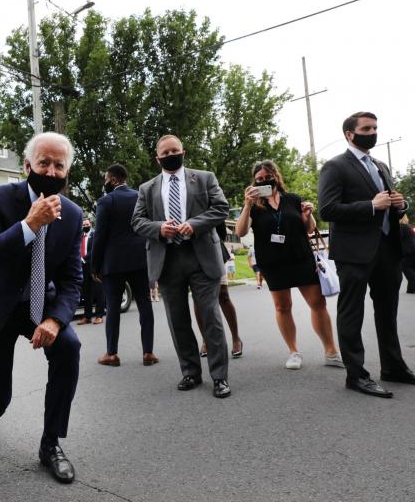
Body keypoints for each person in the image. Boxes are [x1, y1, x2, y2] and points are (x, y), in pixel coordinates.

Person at [0, 132, 83, 484]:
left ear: (67, 171)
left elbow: (71, 280)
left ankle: (50, 444)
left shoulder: (72, 215)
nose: (51, 172)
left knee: (68, 345)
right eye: (43, 163)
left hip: (36, 304)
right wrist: (29, 224)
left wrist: (55, 319)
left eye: (59, 166)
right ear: (27, 166)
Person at [318, 111, 413, 397]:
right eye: (367, 128)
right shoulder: (335, 167)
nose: (372, 132)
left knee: (387, 311)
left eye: (375, 127)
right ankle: (356, 375)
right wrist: (371, 205)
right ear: (350, 133)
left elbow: (389, 203)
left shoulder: (380, 165)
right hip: (354, 253)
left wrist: (401, 204)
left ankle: (393, 367)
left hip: (387, 249)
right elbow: (328, 210)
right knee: (352, 313)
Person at [131, 134, 232, 398]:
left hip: (201, 256)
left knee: (211, 317)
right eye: (165, 153)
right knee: (178, 321)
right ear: (157, 158)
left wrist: (195, 223)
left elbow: (221, 208)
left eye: (174, 150)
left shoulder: (205, 177)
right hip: (167, 260)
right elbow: (137, 221)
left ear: (183, 152)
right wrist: (159, 228)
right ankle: (190, 372)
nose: (170, 155)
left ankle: (219, 376)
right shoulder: (147, 188)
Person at [235, 160, 341, 370]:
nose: (265, 181)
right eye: (260, 179)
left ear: (276, 176)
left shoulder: (292, 199)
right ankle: (294, 352)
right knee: (283, 307)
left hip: (300, 257)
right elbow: (240, 232)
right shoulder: (254, 205)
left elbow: (309, 229)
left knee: (317, 304)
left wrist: (308, 214)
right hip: (273, 263)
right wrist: (247, 205)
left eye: (268, 177)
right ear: (254, 182)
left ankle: (331, 351)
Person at [91, 163, 157, 367]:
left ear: (113, 179)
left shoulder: (106, 200)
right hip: (139, 259)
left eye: (105, 180)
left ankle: (112, 354)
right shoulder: (141, 196)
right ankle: (148, 353)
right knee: (145, 304)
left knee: (112, 307)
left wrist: (95, 266)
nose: (105, 184)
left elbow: (100, 235)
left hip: (114, 262)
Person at [196, 223, 243, 359]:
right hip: (191, 253)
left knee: (223, 296)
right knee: (198, 300)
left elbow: (221, 231)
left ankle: (236, 339)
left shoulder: (210, 201)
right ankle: (206, 340)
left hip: (212, 251)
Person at [77, 218, 104, 325]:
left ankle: (99, 315)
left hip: (95, 267)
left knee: (99, 292)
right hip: (83, 268)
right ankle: (87, 316)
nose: (85, 226)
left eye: (87, 224)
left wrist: (83, 259)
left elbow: (96, 249)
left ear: (90, 224)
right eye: (83, 225)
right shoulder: (79, 237)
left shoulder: (95, 235)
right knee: (86, 293)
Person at [400, 216, 415, 294]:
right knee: (412, 268)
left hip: (407, 251)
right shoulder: (409, 227)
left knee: (406, 268)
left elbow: (398, 240)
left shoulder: (401, 227)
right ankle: (411, 289)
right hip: (413, 250)